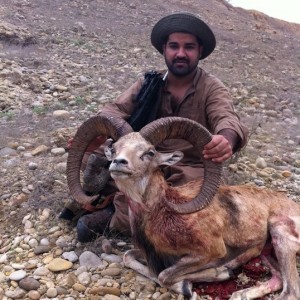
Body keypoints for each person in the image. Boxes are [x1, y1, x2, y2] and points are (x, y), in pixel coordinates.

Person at [60, 12, 249, 242]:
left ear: (199, 51)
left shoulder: (212, 88)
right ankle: (112, 200)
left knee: (190, 207)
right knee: (91, 154)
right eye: (174, 46)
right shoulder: (148, 83)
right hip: (141, 159)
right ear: (164, 50)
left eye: (189, 47)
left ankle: (115, 215)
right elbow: (115, 109)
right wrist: (96, 135)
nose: (181, 53)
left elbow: (227, 119)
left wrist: (225, 139)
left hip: (186, 166)